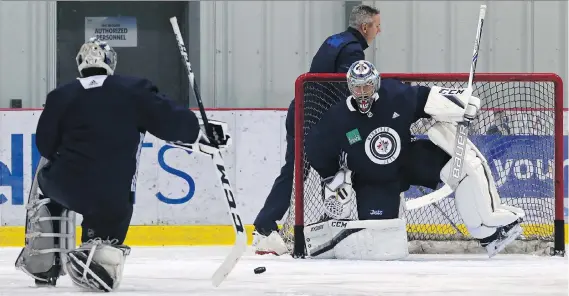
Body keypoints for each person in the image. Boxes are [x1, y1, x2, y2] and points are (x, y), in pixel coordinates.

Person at [14, 37, 230, 292]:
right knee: (103, 250)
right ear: (111, 62)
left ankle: (45, 260)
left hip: (65, 184)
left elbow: (45, 146)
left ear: (80, 64)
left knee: (46, 183)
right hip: (111, 195)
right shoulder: (133, 89)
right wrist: (199, 131)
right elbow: (170, 121)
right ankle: (96, 252)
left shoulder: (60, 95)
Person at [302, 60, 525, 260]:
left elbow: (428, 98)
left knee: (463, 167)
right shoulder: (337, 118)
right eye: (357, 87)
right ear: (350, 88)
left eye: (367, 86)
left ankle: (488, 231)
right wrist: (332, 176)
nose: (362, 93)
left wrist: (460, 103)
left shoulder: (395, 95)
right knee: (381, 241)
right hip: (373, 180)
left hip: (409, 159)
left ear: (376, 84)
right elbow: (315, 149)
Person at [252, 4, 381, 255]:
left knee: (318, 169)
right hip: (314, 121)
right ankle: (266, 227)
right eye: (377, 25)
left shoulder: (335, 40)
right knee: (302, 171)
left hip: (305, 114)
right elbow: (350, 89)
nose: (380, 29)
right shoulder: (353, 51)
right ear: (365, 27)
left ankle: (326, 223)